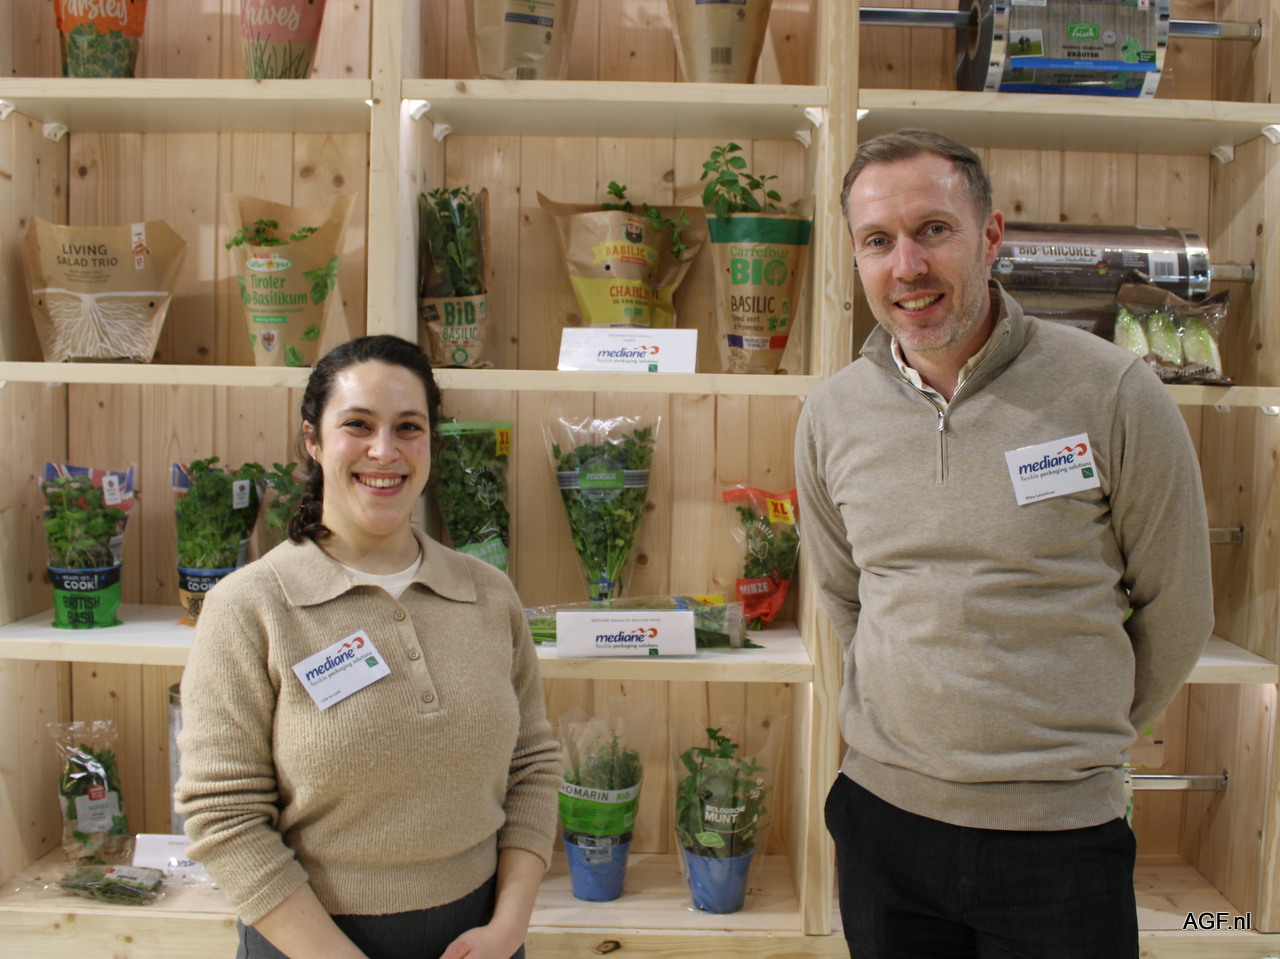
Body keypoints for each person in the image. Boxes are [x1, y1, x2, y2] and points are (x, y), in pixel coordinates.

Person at [794, 129, 1213, 958]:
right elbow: (846, 596)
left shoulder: (1113, 391)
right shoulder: (831, 415)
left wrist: (1071, 739)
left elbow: (1180, 605)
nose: (907, 265)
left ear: (990, 237)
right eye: (878, 240)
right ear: (856, 255)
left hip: (1062, 839)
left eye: (933, 229)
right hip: (884, 827)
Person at [176, 334, 561, 959]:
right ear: (313, 440)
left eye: (408, 427)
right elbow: (224, 816)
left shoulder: (488, 595)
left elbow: (533, 768)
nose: (385, 451)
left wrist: (509, 927)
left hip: (480, 939)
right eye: (357, 425)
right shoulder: (251, 607)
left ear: (431, 442)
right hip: (308, 942)